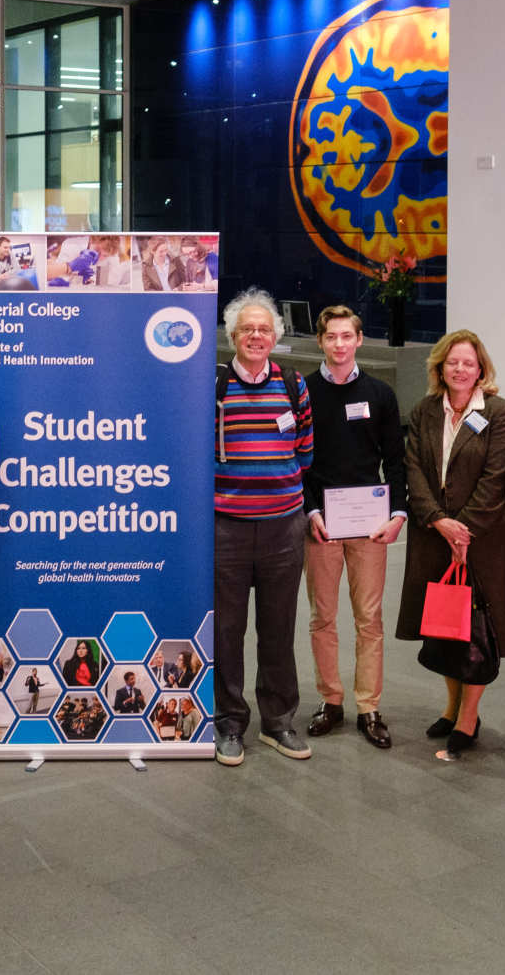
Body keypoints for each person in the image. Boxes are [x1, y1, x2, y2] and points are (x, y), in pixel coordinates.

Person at [396, 330, 505, 760]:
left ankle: (469, 716)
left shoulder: (499, 412)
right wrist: (438, 520)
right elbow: (413, 467)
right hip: (434, 536)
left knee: (477, 630)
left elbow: (496, 477)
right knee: (443, 624)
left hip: (482, 540)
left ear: (481, 369)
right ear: (440, 367)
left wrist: (463, 529)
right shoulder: (424, 410)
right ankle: (450, 707)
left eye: (468, 363)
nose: (460, 369)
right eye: (452, 362)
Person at [211, 288, 315, 765]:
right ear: (233, 336)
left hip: (283, 530)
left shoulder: (294, 386)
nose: (256, 336)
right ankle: (230, 724)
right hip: (226, 530)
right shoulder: (212, 388)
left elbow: (306, 453)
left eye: (264, 329)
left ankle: (278, 722)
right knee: (226, 632)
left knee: (278, 629)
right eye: (247, 329)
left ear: (275, 336)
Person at [301, 305, 408, 750]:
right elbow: (298, 462)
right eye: (331, 337)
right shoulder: (303, 391)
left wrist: (398, 513)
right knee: (322, 618)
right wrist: (310, 512)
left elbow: (397, 460)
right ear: (321, 341)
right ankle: (331, 701)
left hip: (369, 525)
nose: (340, 345)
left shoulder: (380, 394)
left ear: (359, 339)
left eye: (347, 336)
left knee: (369, 620)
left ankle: (369, 706)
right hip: (322, 524)